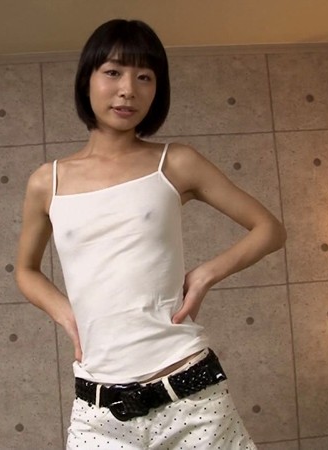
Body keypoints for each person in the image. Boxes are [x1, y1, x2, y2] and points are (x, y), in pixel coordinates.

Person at [15, 19, 286, 449]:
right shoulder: (46, 182)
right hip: (99, 412)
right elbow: (26, 270)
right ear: (86, 80)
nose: (128, 90)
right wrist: (66, 314)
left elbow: (270, 229)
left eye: (145, 77)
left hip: (190, 397)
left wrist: (206, 275)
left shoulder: (175, 163)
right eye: (113, 72)